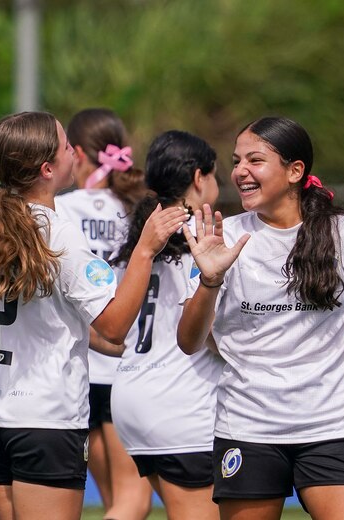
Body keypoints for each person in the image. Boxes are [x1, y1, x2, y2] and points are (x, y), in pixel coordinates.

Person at [0, 111, 188, 520]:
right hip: (45, 419)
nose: (73, 153)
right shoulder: (60, 234)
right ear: (48, 168)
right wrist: (145, 250)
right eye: (66, 146)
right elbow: (114, 326)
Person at [177, 116, 344, 520]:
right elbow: (188, 342)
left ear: (295, 171)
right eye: (237, 160)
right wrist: (209, 280)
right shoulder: (222, 238)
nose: (240, 171)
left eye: (255, 160)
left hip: (331, 428)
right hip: (247, 427)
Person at [109, 130, 223, 520]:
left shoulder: (144, 237)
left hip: (131, 397)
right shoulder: (200, 239)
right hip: (181, 403)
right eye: (214, 174)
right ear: (197, 177)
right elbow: (212, 334)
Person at [54, 108, 153, 519]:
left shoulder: (61, 207)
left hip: (79, 364)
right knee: (134, 500)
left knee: (115, 500)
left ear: (77, 153)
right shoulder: (138, 206)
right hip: (124, 361)